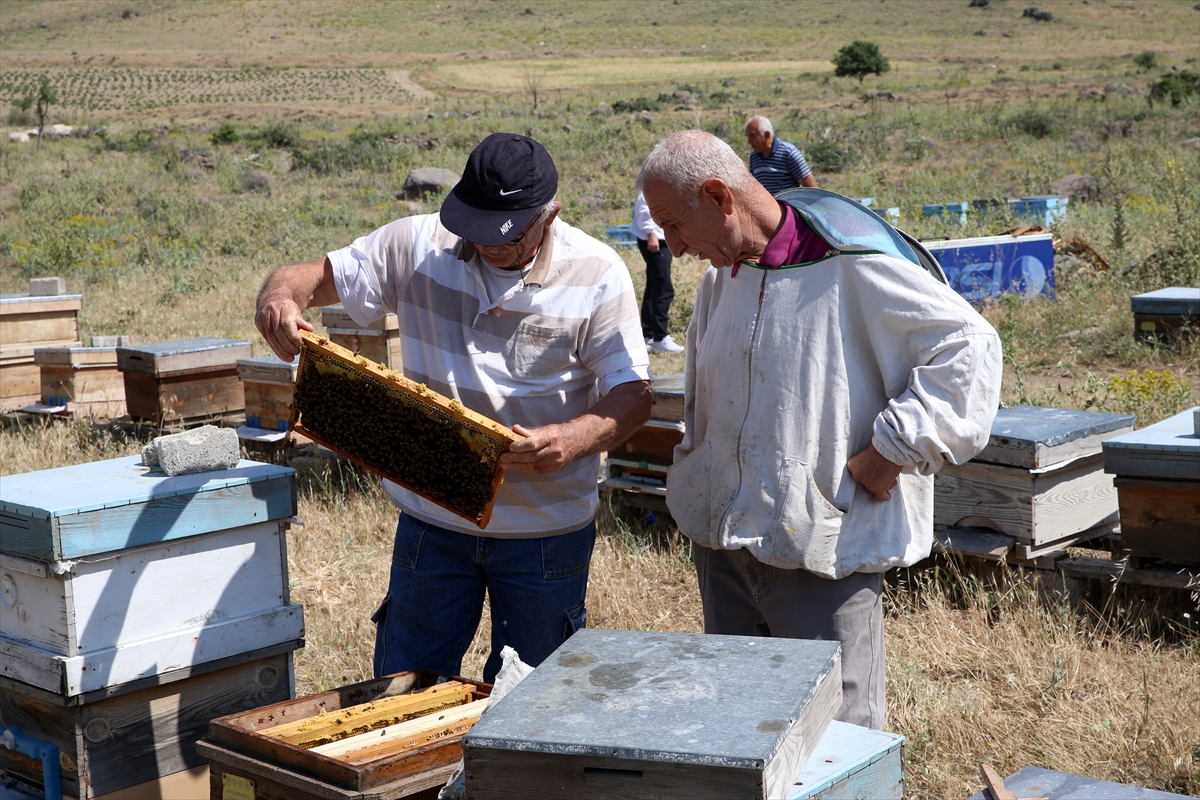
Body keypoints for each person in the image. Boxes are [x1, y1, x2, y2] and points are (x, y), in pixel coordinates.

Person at [256, 133, 652, 683]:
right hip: (432, 523)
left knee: (529, 708)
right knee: (402, 690)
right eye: (477, 226)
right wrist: (279, 298)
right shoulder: (416, 245)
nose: (488, 244)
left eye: (506, 235)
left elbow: (634, 396)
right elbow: (307, 277)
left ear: (549, 213)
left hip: (545, 535)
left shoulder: (598, 273)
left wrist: (573, 437)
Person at [639, 130, 1002, 729]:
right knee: (740, 731)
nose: (673, 248)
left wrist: (892, 449)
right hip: (725, 550)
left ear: (718, 195)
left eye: (676, 226)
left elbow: (970, 349)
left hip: (824, 551)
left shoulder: (851, 262)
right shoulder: (716, 282)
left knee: (835, 742)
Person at [632, 189, 684, 354]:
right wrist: (651, 234)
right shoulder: (652, 183)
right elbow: (643, 209)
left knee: (654, 286)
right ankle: (661, 337)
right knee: (664, 288)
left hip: (661, 237)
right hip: (654, 240)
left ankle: (648, 334)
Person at [745, 115, 818, 193]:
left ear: (766, 135)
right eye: (748, 137)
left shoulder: (789, 153)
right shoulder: (754, 156)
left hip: (788, 204)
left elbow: (812, 189)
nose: (749, 141)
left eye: (752, 136)